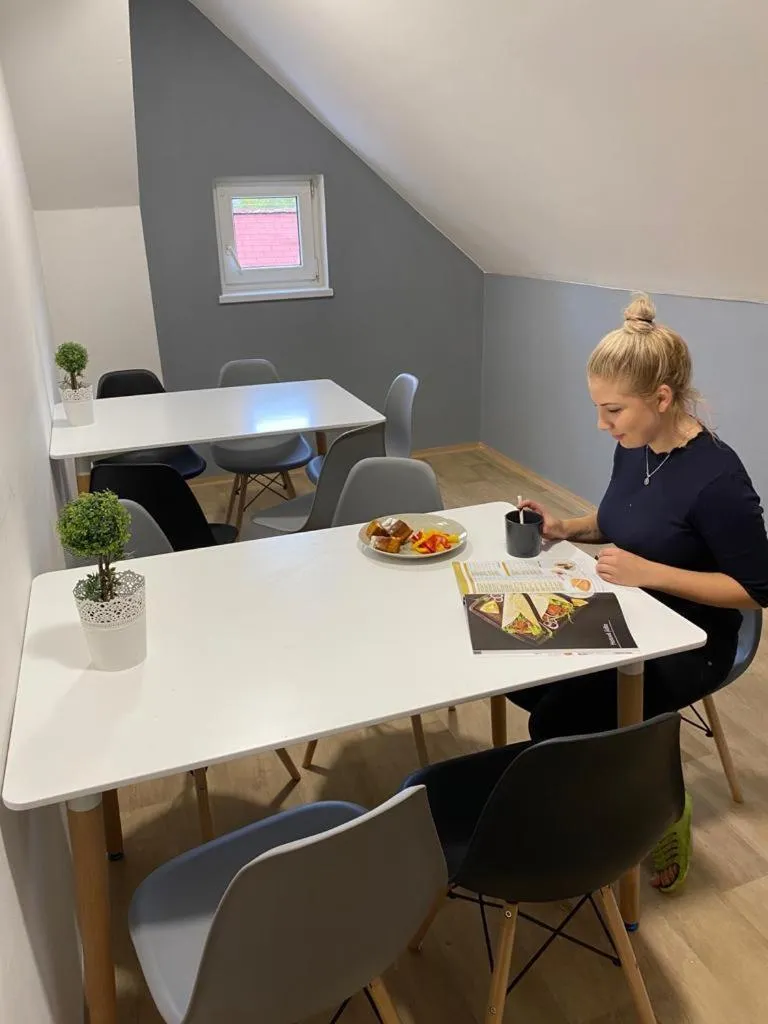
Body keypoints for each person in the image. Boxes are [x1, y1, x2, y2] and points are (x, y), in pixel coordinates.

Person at [511, 293, 768, 892]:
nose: (603, 425)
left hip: (693, 639)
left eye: (613, 411)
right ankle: (610, 784)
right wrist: (566, 529)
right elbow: (619, 519)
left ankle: (655, 806)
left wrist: (647, 572)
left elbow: (757, 590)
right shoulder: (636, 446)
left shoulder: (718, 480)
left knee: (557, 718)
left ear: (661, 399)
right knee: (525, 679)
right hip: (625, 611)